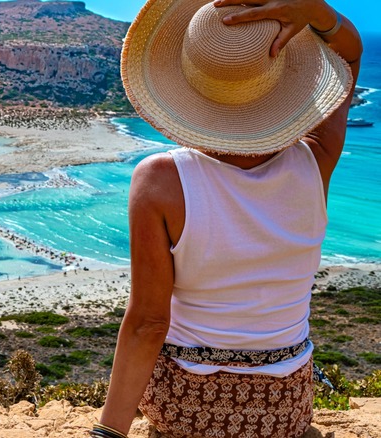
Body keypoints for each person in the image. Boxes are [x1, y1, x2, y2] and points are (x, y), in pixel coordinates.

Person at [94, 0, 362, 437]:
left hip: (187, 408)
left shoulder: (160, 180)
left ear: (183, 79)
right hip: (285, 409)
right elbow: (348, 58)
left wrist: (109, 433)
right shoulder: (317, 160)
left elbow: (148, 323)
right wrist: (313, 10)